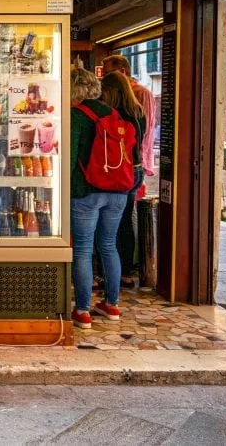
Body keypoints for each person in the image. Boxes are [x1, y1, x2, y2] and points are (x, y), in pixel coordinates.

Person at [70, 66, 129, 329]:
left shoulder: (76, 115)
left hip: (86, 192)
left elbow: (70, 160)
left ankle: (83, 311)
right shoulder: (114, 114)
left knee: (83, 250)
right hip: (117, 191)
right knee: (108, 246)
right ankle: (112, 305)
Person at [100, 71, 147, 290]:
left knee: (108, 226)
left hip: (117, 171)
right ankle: (126, 272)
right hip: (135, 170)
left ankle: (105, 272)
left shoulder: (112, 114)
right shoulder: (138, 111)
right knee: (126, 220)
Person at [102, 54, 155, 177]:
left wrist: (141, 159)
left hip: (134, 159)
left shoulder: (142, 93)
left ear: (122, 72)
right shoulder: (109, 94)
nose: (104, 79)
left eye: (108, 74)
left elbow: (147, 128)